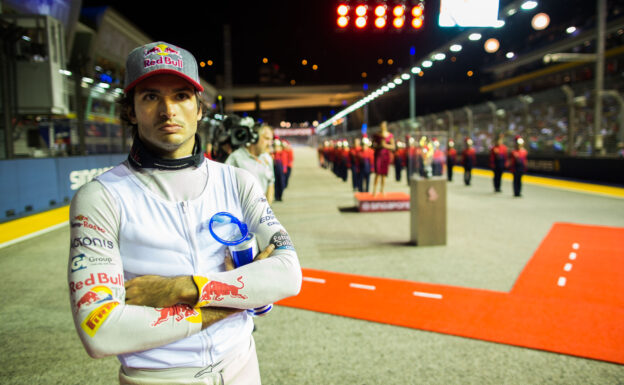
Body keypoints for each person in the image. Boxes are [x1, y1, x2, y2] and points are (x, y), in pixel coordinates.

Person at [67, 41, 302, 385]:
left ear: (199, 108)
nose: (168, 110)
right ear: (130, 110)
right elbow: (100, 332)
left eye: (180, 96)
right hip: (159, 378)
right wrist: (240, 298)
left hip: (243, 367)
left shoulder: (238, 182)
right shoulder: (100, 197)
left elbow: (288, 276)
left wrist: (181, 288)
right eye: (150, 97)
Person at [225, 123, 275, 204]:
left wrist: (267, 210)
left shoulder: (267, 158)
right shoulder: (235, 157)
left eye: (271, 139)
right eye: (266, 138)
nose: (270, 143)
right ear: (255, 137)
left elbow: (271, 183)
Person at [372, 121, 396, 195]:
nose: (382, 127)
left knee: (383, 173)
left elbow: (393, 146)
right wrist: (379, 146)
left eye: (384, 125)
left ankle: (382, 189)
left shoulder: (390, 135)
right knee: (377, 172)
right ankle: (374, 190)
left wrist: (385, 145)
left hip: (385, 155)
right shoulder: (376, 135)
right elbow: (373, 146)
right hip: (378, 155)